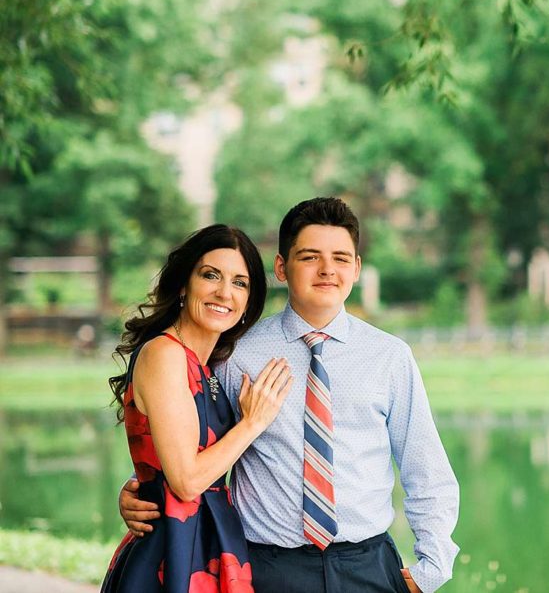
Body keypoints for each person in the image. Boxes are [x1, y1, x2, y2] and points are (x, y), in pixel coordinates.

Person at [119, 197, 460, 593]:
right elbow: (192, 434)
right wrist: (140, 489)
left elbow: (426, 469)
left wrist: (430, 570)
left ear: (357, 268)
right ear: (282, 267)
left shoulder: (390, 357)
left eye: (341, 258)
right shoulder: (235, 353)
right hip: (267, 570)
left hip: (368, 568)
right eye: (310, 257)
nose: (327, 270)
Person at [103, 224, 293, 592]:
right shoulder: (165, 354)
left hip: (206, 547)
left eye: (240, 283)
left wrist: (139, 484)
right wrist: (252, 423)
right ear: (184, 283)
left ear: (248, 302)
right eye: (211, 275)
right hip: (171, 555)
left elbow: (168, 455)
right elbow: (187, 481)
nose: (225, 292)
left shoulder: (207, 368)